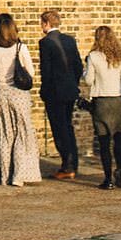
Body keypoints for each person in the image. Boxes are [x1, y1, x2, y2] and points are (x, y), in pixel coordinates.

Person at [0, 13, 41, 187]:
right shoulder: (20, 48)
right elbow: (30, 73)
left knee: (5, 134)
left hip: (1, 94)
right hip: (18, 94)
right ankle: (18, 175)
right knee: (21, 133)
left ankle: (4, 176)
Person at [79, 24, 121, 189]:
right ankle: (120, 170)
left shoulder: (93, 56)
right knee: (119, 138)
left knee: (104, 141)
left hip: (101, 101)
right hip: (118, 100)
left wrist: (84, 73)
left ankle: (108, 178)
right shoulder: (119, 56)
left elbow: (88, 80)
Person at [37, 9, 83, 180]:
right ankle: (73, 162)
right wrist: (73, 83)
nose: (41, 26)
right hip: (70, 89)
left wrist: (44, 91)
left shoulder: (45, 43)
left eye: (42, 22)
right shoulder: (69, 40)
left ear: (47, 23)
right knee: (68, 126)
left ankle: (67, 164)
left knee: (59, 128)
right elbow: (78, 66)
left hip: (55, 92)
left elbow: (46, 71)